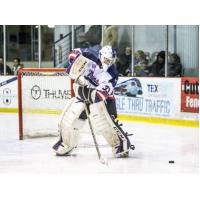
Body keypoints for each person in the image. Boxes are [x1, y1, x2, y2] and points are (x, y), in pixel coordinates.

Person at [52, 45, 135, 158]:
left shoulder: (112, 74)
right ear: (101, 56)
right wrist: (77, 70)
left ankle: (121, 145)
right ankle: (67, 143)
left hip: (104, 100)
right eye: (106, 60)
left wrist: (86, 89)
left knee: (104, 123)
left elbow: (100, 95)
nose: (108, 62)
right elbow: (73, 54)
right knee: (70, 119)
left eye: (111, 61)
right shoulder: (89, 54)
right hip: (84, 94)